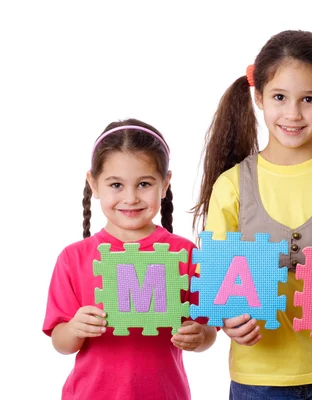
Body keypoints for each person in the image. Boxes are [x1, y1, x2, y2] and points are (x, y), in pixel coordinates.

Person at [192, 30, 312, 399]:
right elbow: (215, 277)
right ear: (259, 96)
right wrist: (229, 319)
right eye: (280, 97)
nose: (293, 114)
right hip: (258, 375)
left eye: (308, 99)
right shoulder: (232, 186)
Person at [43, 119, 217, 400]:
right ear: (94, 184)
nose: (131, 197)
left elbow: (207, 330)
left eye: (144, 184)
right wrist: (75, 328)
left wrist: (199, 337)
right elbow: (60, 341)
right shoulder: (72, 258)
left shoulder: (185, 254)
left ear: (165, 184)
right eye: (116, 185)